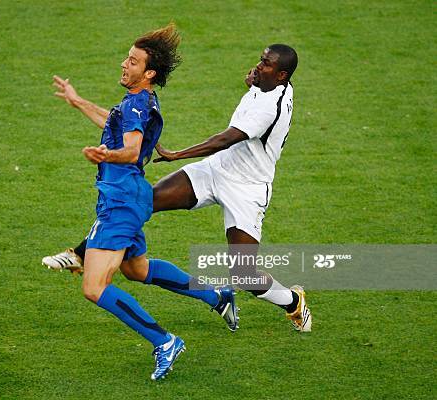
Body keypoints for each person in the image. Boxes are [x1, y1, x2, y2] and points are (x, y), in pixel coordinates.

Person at [45, 44, 312, 334]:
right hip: (217, 170)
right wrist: (256, 80)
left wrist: (176, 154)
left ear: (282, 75)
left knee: (244, 275)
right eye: (261, 60)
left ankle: (292, 301)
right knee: (144, 201)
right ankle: (83, 253)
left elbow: (224, 139)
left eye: (267, 65)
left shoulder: (269, 107)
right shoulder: (272, 83)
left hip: (246, 189)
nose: (259, 67)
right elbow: (259, 87)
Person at [51, 23, 237, 381]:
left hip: (121, 200)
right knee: (137, 270)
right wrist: (77, 102)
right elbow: (114, 123)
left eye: (133, 62)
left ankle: (164, 341)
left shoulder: (138, 101)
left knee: (93, 287)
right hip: (133, 196)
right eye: (127, 58)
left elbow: (132, 149)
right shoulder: (139, 101)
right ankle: (217, 295)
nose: (125, 64)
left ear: (148, 73)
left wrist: (106, 155)